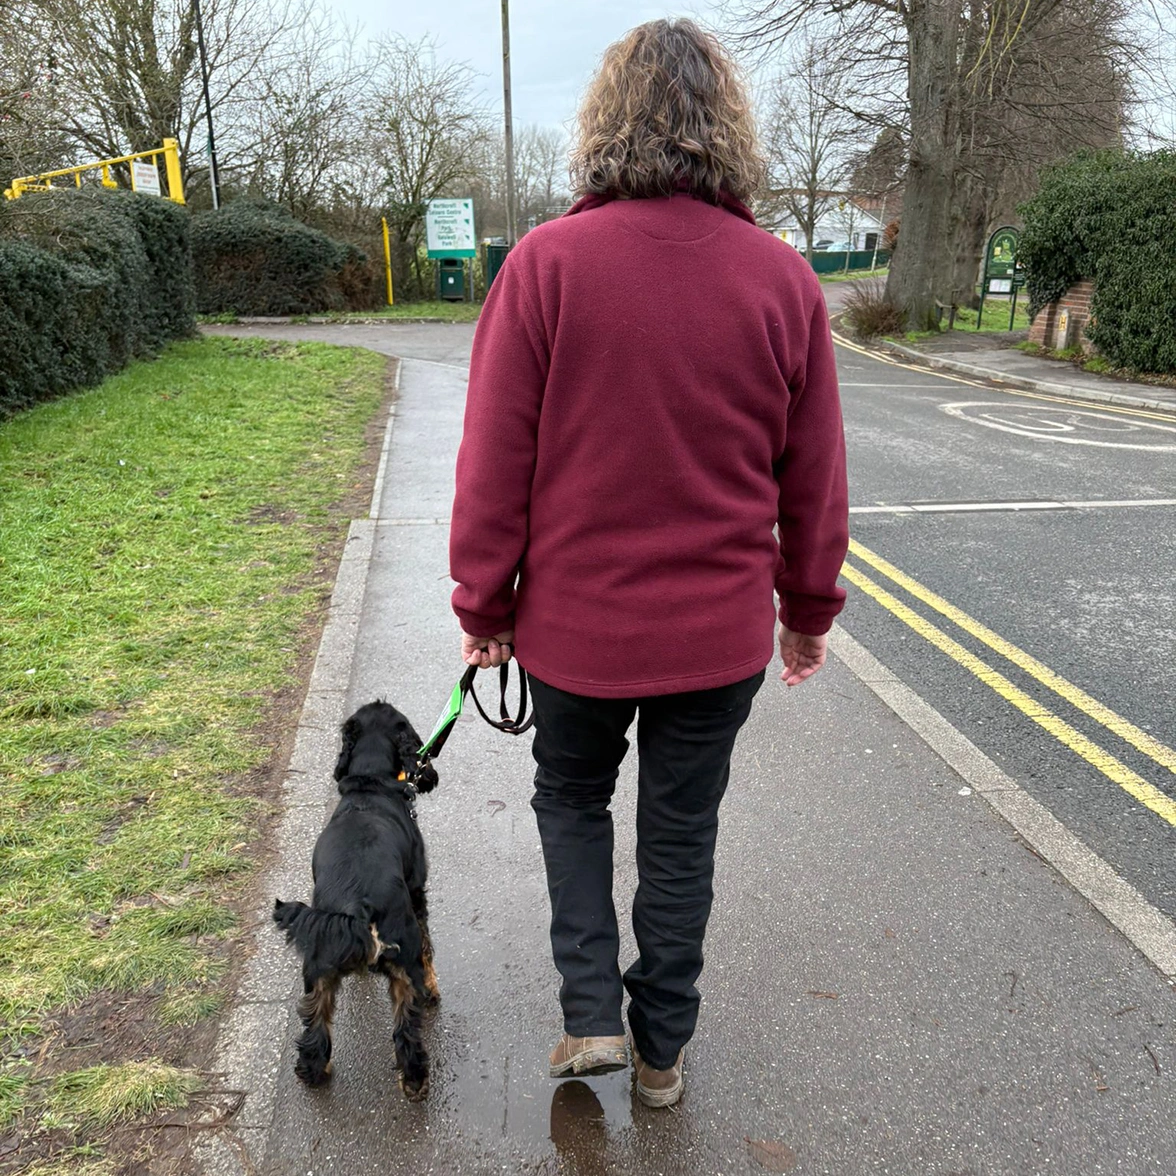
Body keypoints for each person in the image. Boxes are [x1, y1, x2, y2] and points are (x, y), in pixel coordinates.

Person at [449, 18, 848, 1109]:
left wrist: (483, 604)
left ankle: (590, 1015)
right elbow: (813, 478)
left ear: (604, 126)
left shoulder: (545, 267)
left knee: (570, 797)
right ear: (729, 132)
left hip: (577, 631)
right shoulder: (783, 282)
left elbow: (493, 462)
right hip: (716, 638)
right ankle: (662, 1053)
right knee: (683, 833)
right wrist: (807, 607)